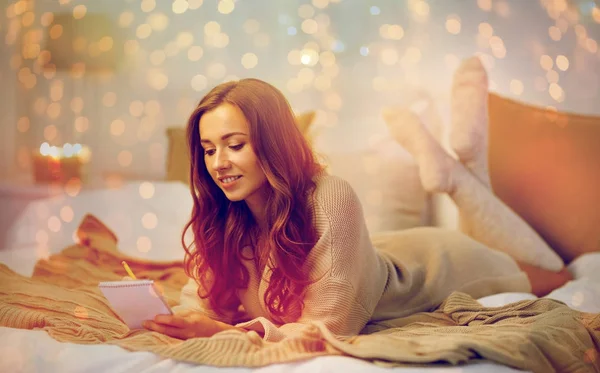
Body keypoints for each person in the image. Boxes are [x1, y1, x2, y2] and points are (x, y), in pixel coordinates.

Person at [142, 69, 572, 342]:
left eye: (234, 145)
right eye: (208, 149)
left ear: (272, 143)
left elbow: (329, 327)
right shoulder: (225, 218)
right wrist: (182, 320)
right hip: (376, 252)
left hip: (438, 265)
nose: (219, 163)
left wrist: (221, 333)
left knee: (557, 271)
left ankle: (455, 167)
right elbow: (203, 299)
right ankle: (450, 167)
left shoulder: (330, 196)